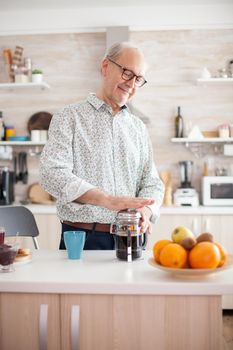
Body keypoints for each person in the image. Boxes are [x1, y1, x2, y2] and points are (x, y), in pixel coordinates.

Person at [40, 41, 164, 250]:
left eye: (139, 78)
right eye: (127, 73)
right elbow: (52, 174)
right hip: (84, 239)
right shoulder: (69, 117)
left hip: (132, 237)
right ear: (105, 66)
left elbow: (152, 182)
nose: (132, 83)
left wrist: (146, 211)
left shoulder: (138, 127)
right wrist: (106, 200)